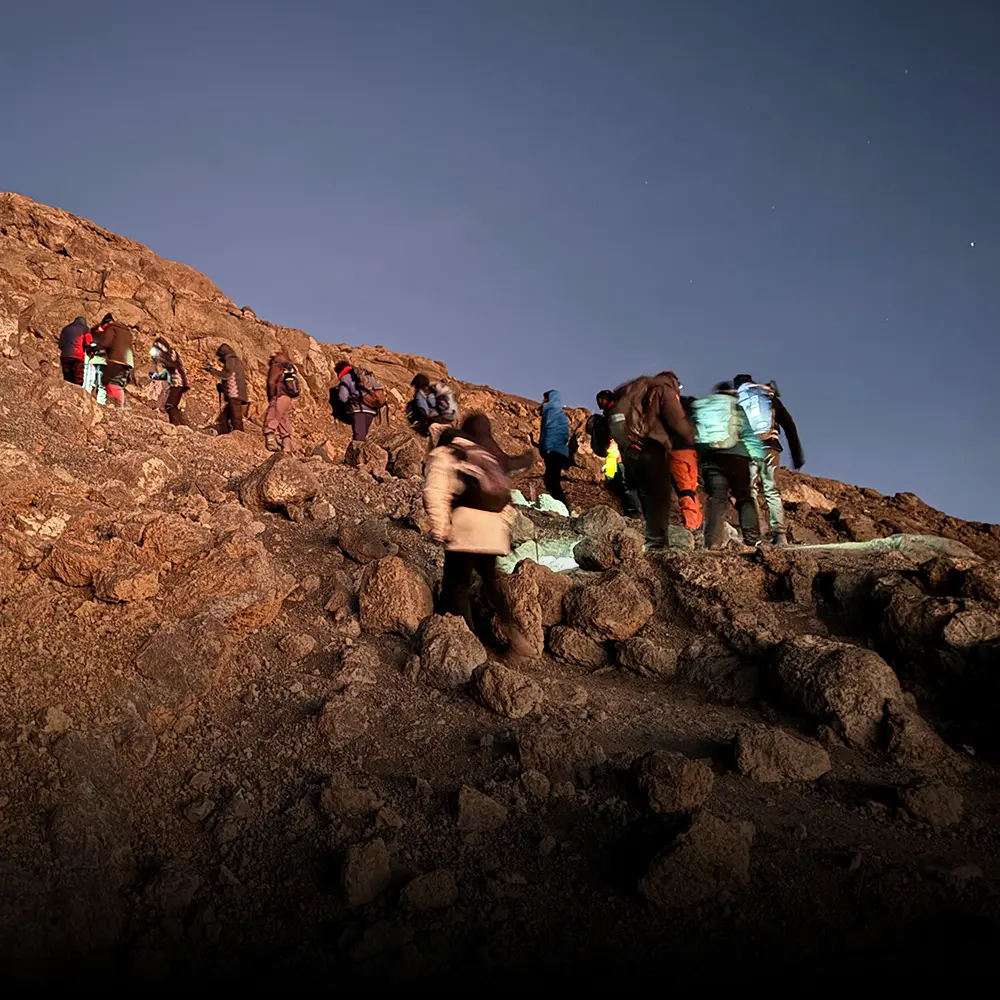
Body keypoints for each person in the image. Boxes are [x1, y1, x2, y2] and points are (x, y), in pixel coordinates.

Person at [423, 413, 535, 655]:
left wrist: (441, 528)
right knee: (491, 580)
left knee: (457, 583)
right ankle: (515, 633)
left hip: (466, 523)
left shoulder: (448, 450)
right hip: (494, 528)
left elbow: (436, 490)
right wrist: (502, 527)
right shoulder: (488, 455)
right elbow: (505, 496)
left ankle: (469, 645)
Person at [608, 371, 701, 550]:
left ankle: (654, 540)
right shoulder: (663, 391)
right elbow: (677, 422)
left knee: (646, 495)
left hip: (631, 449)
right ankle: (657, 544)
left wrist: (628, 444)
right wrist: (691, 438)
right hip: (653, 447)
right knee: (660, 497)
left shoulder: (635, 389)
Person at [691, 382, 766, 549]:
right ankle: (753, 539)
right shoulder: (735, 407)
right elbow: (748, 434)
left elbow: (694, 434)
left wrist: (701, 457)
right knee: (744, 497)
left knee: (716, 499)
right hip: (737, 457)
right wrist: (759, 457)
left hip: (710, 458)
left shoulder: (702, 406)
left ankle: (712, 542)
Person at [733, 374, 805, 547]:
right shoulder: (768, 397)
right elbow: (789, 424)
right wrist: (797, 455)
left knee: (750, 491)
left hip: (749, 450)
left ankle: (753, 535)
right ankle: (779, 535)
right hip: (770, 447)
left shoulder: (737, 400)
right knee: (771, 489)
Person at [587, 389, 640, 517]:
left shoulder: (615, 412)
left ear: (608, 399)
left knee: (623, 481)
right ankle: (629, 510)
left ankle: (633, 512)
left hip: (618, 453)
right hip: (614, 453)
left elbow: (618, 433)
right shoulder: (611, 413)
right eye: (598, 400)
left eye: (601, 399)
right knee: (614, 481)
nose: (599, 402)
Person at [90, 314, 133, 406]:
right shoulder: (126, 331)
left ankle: (116, 407)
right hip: (127, 362)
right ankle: (119, 406)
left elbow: (105, 343)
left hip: (116, 360)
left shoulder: (111, 328)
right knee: (117, 384)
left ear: (106, 324)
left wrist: (94, 349)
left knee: (110, 383)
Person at [536, 389, 570, 504]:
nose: (543, 401)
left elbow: (550, 432)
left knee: (551, 480)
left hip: (553, 450)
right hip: (557, 450)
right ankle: (560, 504)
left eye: (545, 398)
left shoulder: (552, 412)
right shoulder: (557, 412)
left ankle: (562, 506)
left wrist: (547, 448)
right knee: (551, 479)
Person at [334, 359, 379, 444]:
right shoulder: (369, 377)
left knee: (358, 439)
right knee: (363, 436)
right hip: (371, 410)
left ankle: (356, 456)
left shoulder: (346, 377)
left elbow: (342, 397)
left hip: (358, 410)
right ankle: (364, 455)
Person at [207, 344, 249, 433]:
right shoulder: (236, 361)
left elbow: (227, 375)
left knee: (236, 419)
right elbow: (234, 379)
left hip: (235, 394)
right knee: (223, 418)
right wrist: (222, 388)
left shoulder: (231, 360)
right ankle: (226, 435)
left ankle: (241, 438)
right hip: (237, 393)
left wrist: (212, 370)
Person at [149, 336, 190, 426]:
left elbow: (174, 365)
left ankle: (176, 425)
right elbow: (168, 372)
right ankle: (178, 424)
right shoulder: (167, 356)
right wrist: (156, 376)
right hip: (175, 383)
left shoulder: (172, 353)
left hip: (179, 382)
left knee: (170, 405)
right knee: (170, 404)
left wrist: (161, 359)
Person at [264, 350, 298, 453]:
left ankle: (271, 443)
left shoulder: (276, 365)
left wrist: (271, 396)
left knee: (272, 418)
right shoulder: (289, 367)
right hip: (288, 397)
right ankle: (286, 446)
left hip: (279, 395)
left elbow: (271, 382)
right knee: (284, 418)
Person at [58, 316, 89, 385]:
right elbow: (88, 343)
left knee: (67, 377)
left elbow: (60, 344)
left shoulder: (65, 328)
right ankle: (77, 392)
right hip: (78, 356)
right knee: (78, 377)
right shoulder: (85, 329)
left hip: (65, 356)